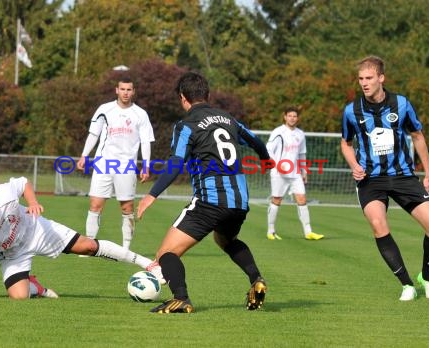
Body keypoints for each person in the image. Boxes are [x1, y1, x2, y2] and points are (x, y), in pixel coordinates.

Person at [137, 71, 273, 313]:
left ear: (182, 97)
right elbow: (256, 141)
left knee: (166, 253)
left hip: (210, 201)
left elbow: (177, 162)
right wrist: (266, 161)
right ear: (207, 95)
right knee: (225, 239)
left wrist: (151, 195)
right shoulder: (228, 119)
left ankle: (181, 298)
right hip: (239, 201)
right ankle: (256, 279)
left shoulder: (186, 125)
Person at [340, 56, 429, 301]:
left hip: (403, 176)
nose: (364, 83)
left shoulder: (401, 104)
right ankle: (407, 284)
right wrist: (354, 165)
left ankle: (426, 278)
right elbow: (345, 143)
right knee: (378, 224)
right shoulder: (352, 110)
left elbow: (417, 136)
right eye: (361, 79)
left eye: (369, 78)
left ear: (381, 78)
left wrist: (428, 174)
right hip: (370, 180)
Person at [0, 176, 163, 300]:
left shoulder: (2, 194)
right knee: (19, 296)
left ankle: (148, 264)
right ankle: (37, 288)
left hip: (36, 229)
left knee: (88, 246)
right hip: (13, 255)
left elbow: (23, 183)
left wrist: (32, 202)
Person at [77, 76, 154, 250]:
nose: (125, 93)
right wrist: (84, 155)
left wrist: (146, 166)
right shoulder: (105, 109)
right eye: (123, 89)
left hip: (126, 165)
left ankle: (125, 248)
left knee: (127, 207)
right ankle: (89, 245)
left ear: (133, 92)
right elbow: (94, 134)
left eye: (129, 89)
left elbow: (145, 142)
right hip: (103, 162)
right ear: (116, 90)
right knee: (95, 204)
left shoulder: (140, 114)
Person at [266, 107, 324, 241]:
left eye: (295, 116)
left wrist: (304, 171)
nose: (292, 118)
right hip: (279, 173)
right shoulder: (278, 132)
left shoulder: (300, 134)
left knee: (302, 199)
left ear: (297, 118)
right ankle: (271, 230)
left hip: (295, 173)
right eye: (290, 116)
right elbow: (268, 150)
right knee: (276, 200)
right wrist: (277, 164)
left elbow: (302, 154)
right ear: (285, 117)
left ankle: (308, 232)